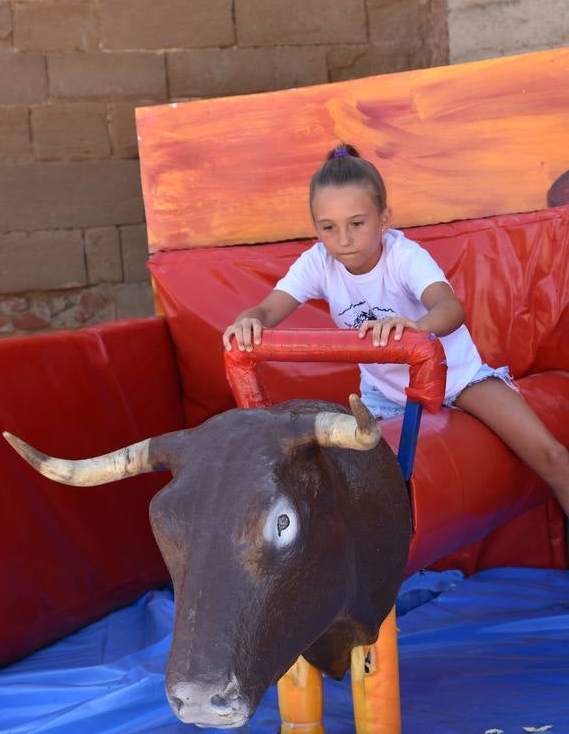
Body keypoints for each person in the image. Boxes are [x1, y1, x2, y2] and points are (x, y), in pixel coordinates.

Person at [223, 143, 569, 514]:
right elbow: (267, 309)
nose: (343, 239)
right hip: (384, 393)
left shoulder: (403, 256)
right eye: (328, 227)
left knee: (552, 457)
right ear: (316, 229)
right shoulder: (318, 263)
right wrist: (248, 322)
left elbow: (450, 308)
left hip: (456, 377)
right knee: (363, 495)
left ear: (384, 219)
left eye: (357, 223)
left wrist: (416, 328)